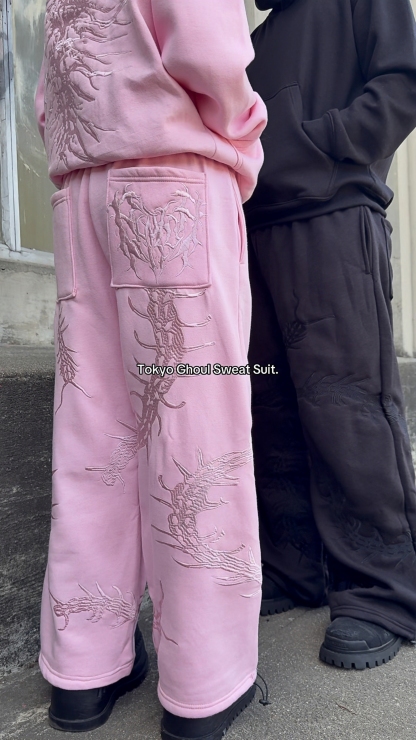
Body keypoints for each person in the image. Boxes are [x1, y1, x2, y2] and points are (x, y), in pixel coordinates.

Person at [35, 1, 267, 736]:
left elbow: (51, 87)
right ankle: (204, 683)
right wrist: (244, 129)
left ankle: (82, 671)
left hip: (81, 194)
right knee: (195, 434)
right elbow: (209, 52)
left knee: (92, 436)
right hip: (171, 183)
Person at [245, 0, 416, 670]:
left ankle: (382, 590)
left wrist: (326, 144)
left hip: (335, 216)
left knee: (348, 405)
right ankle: (297, 569)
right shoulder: (255, 38)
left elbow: (403, 80)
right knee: (270, 405)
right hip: (254, 232)